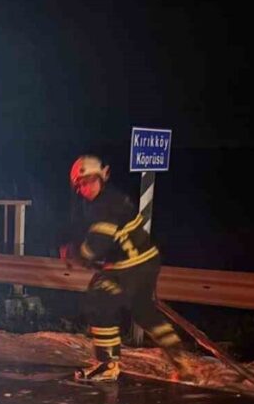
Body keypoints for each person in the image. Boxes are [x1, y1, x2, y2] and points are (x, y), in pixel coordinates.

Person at [61, 155, 195, 382]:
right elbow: (104, 239)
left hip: (131, 266)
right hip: (145, 261)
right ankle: (180, 360)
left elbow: (98, 243)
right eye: (81, 185)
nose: (86, 188)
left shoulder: (106, 205)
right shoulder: (107, 200)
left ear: (103, 177)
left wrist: (78, 254)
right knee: (144, 312)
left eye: (90, 181)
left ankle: (107, 364)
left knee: (99, 297)